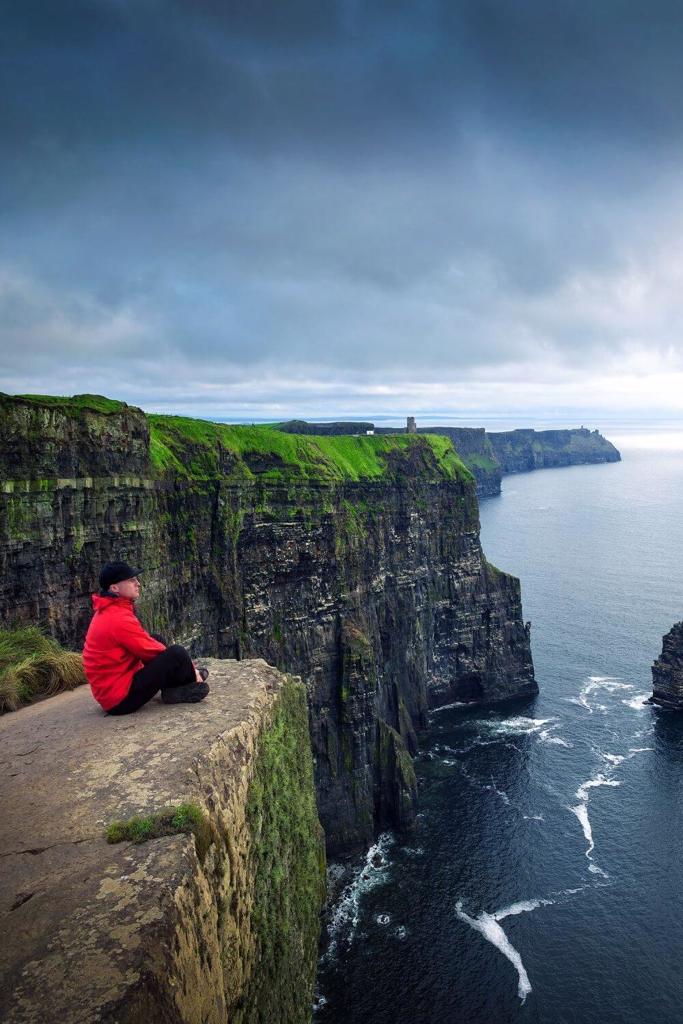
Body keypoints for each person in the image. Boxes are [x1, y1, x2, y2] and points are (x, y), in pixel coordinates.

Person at [83, 561, 209, 714]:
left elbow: (147, 644)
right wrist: (191, 669)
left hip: (115, 687)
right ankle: (188, 683)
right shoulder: (117, 618)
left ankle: (174, 687)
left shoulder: (111, 609)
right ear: (114, 588)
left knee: (157, 639)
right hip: (120, 699)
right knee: (177, 654)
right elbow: (149, 650)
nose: (138, 583)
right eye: (131, 580)